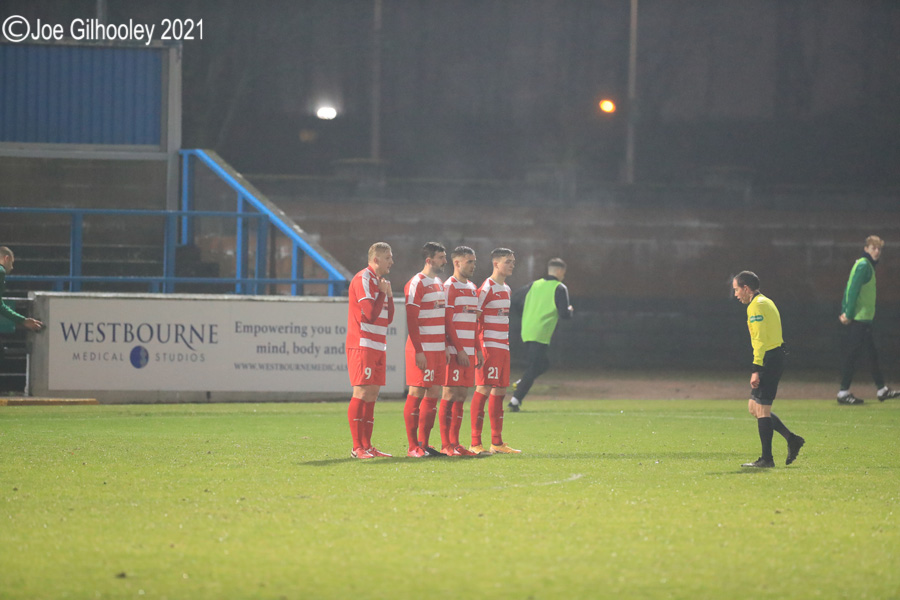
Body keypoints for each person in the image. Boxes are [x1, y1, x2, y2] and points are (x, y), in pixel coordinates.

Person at [732, 271, 804, 468]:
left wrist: (756, 369)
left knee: (763, 409)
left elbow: (760, 340)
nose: (736, 294)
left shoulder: (757, 306)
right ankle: (792, 439)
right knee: (754, 408)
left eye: (737, 290)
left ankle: (767, 459)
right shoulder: (764, 301)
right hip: (772, 356)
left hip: (769, 359)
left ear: (746, 288)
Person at [346, 242, 395, 459]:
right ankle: (357, 448)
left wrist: (389, 296)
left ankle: (367, 446)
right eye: (388, 258)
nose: (391, 262)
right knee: (362, 392)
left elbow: (387, 318)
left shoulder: (380, 282)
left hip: (378, 344)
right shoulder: (363, 279)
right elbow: (368, 314)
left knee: (372, 394)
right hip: (363, 344)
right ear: (376, 260)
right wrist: (383, 294)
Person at [836, 236, 899, 405]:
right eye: (873, 248)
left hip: (862, 318)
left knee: (871, 354)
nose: (876, 251)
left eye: (878, 249)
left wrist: (845, 311)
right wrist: (848, 314)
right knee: (853, 355)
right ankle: (843, 392)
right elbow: (853, 290)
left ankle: (881, 389)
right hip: (859, 318)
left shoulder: (865, 265)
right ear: (866, 249)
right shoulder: (864, 265)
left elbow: (848, 288)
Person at [470, 248, 520, 455]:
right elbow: (474, 319)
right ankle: (475, 443)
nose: (512, 264)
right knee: (483, 390)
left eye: (513, 261)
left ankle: (497, 443)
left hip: (503, 347)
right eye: (508, 261)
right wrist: (478, 348)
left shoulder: (506, 288)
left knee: (500, 392)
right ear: (496, 264)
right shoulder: (486, 287)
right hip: (489, 347)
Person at [402, 242, 450, 458]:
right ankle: (413, 447)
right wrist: (419, 350)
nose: (445, 261)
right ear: (429, 260)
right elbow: (412, 321)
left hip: (438, 350)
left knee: (433, 393)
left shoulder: (439, 283)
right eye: (441, 257)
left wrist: (446, 346)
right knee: (416, 392)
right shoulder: (416, 283)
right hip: (421, 350)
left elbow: (442, 318)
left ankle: (425, 444)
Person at [508, 257, 573, 412]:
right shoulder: (560, 287)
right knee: (535, 365)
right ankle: (515, 401)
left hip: (528, 329)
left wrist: (527, 314)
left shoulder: (533, 285)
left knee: (543, 364)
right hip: (541, 331)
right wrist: (570, 310)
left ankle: (522, 383)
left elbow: (514, 300)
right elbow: (564, 314)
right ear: (559, 271)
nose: (563, 276)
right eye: (563, 272)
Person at [438, 246, 481, 457]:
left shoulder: (473, 288)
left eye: (474, 261)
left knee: (462, 395)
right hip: (456, 352)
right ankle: (445, 444)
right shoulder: (449, 287)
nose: (473, 265)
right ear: (457, 263)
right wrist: (459, 349)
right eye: (469, 262)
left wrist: (478, 349)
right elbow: (447, 322)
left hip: (468, 352)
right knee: (449, 393)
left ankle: (456, 443)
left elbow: (473, 322)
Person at [0, 247, 44, 332]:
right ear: (6, 258)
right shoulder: (1, 271)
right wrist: (23, 320)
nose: (12, 267)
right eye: (11, 263)